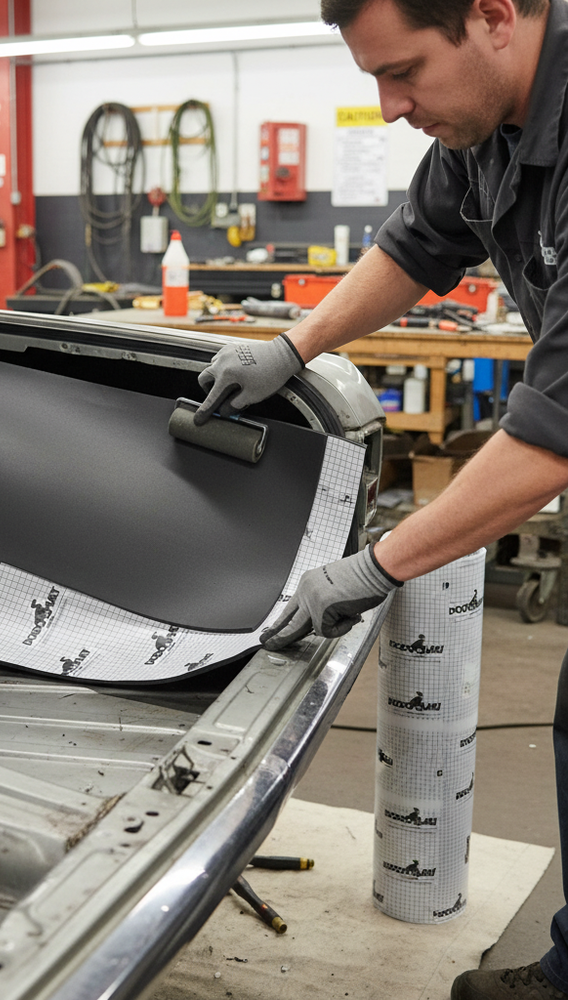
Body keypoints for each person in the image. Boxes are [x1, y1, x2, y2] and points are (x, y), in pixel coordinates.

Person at [194, 1, 568, 996]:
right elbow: (414, 247)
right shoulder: (484, 123)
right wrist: (291, 348)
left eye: (401, 72)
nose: (388, 106)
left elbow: (548, 439)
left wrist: (374, 564)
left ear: (491, 15)